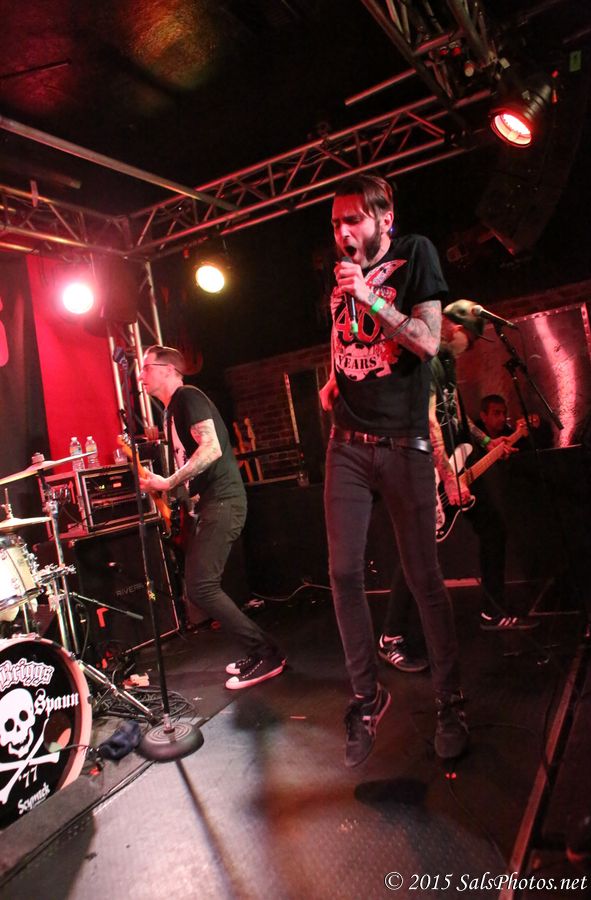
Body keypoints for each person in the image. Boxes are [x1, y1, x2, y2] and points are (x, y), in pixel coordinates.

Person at [319, 173, 468, 767]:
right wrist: (333, 378)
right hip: (346, 445)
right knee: (342, 572)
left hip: (405, 444)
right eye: (336, 221)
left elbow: (428, 343)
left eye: (353, 218)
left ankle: (451, 702)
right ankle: (366, 698)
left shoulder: (415, 254)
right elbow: (343, 336)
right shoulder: (339, 276)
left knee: (424, 578)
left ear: (384, 219)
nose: (343, 230)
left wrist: (370, 297)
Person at [378, 301, 538, 678]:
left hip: (455, 463)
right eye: (471, 336)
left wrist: (487, 443)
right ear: (451, 325)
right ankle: (390, 636)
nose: (473, 345)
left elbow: (457, 417)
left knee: (492, 527)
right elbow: (427, 421)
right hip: (422, 468)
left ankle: (492, 610)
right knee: (417, 553)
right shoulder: (426, 360)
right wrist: (446, 477)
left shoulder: (447, 363)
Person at [139, 344, 285, 690]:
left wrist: (168, 482)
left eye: (146, 367)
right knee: (203, 586)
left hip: (224, 501)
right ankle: (258, 650)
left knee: (201, 586)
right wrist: (177, 495)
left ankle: (267, 653)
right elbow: (193, 467)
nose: (140, 375)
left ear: (169, 369)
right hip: (211, 503)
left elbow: (212, 448)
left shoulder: (188, 396)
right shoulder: (170, 413)